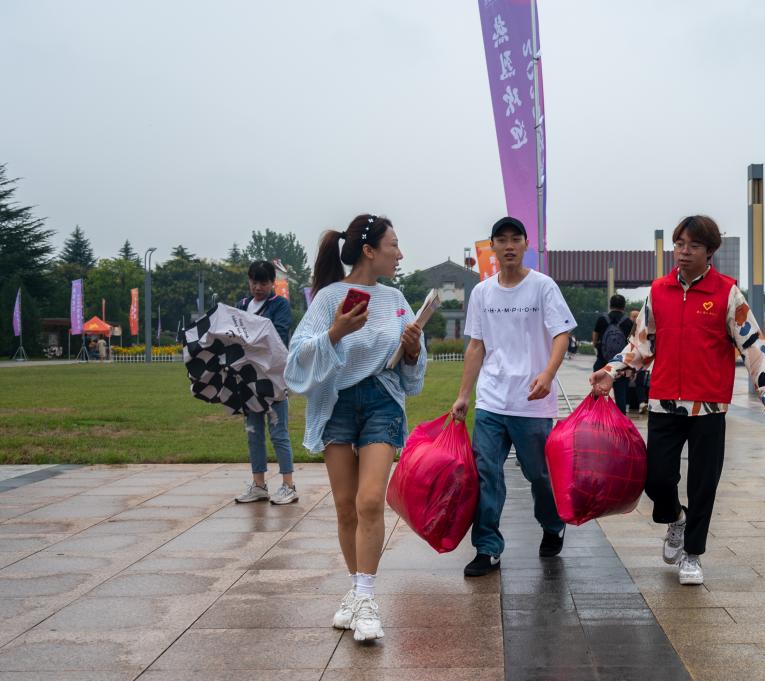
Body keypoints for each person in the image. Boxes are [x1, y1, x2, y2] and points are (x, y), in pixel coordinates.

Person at [590, 215, 765, 586]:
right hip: (664, 402)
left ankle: (692, 554)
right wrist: (611, 371)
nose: (684, 252)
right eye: (679, 244)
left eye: (693, 246)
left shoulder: (727, 293)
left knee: (703, 483)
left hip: (709, 405)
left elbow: (752, 342)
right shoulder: (659, 290)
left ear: (710, 251)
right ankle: (676, 519)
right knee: (656, 478)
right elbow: (641, 344)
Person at [285, 214, 426, 641]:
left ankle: (366, 599)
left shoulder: (396, 299)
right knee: (345, 506)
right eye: (393, 245)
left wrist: (412, 350)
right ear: (369, 250)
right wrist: (335, 332)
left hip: (382, 401)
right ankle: (356, 590)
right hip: (337, 405)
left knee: (369, 501)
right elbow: (297, 357)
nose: (399, 254)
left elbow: (412, 368)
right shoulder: (329, 298)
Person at [451, 216, 576, 577]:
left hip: (532, 402)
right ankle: (487, 547)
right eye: (501, 240)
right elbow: (476, 345)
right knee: (486, 473)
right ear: (492, 246)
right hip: (491, 401)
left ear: (525, 245)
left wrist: (548, 374)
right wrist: (464, 395)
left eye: (515, 239)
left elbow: (562, 334)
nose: (508, 246)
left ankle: (552, 523)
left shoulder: (542, 287)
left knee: (539, 474)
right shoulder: (482, 292)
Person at [233, 261, 298, 506]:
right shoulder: (242, 305)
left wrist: (248, 342)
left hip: (274, 378)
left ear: (272, 283)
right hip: (248, 379)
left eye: (263, 282)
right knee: (253, 432)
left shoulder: (279, 305)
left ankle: (288, 485)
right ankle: (259, 485)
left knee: (278, 432)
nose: (257, 287)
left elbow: (278, 336)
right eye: (254, 282)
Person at [593, 294, 633, 414]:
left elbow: (594, 340)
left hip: (602, 362)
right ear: (624, 306)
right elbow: (633, 345)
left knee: (598, 392)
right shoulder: (629, 322)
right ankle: (620, 421)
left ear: (610, 305)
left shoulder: (601, 320)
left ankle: (597, 418)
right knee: (621, 396)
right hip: (621, 365)